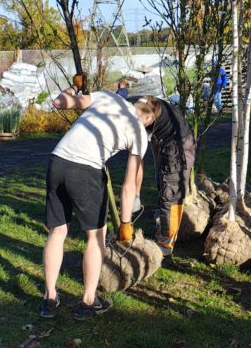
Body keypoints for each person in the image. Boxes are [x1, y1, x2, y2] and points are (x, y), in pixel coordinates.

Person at [40, 75, 160, 320]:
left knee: (58, 232)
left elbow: (59, 102)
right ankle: (87, 301)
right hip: (84, 170)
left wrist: (74, 86)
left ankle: (50, 299)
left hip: (56, 161)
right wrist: (125, 224)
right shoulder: (139, 132)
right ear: (148, 117)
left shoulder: (108, 97)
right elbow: (129, 186)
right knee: (96, 237)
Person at [127, 95, 196, 260]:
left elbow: (137, 160)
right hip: (163, 141)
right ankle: (163, 229)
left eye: (140, 121)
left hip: (179, 146)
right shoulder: (135, 104)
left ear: (150, 117)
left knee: (170, 194)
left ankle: (166, 243)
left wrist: (135, 194)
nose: (134, 125)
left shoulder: (154, 114)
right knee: (161, 183)